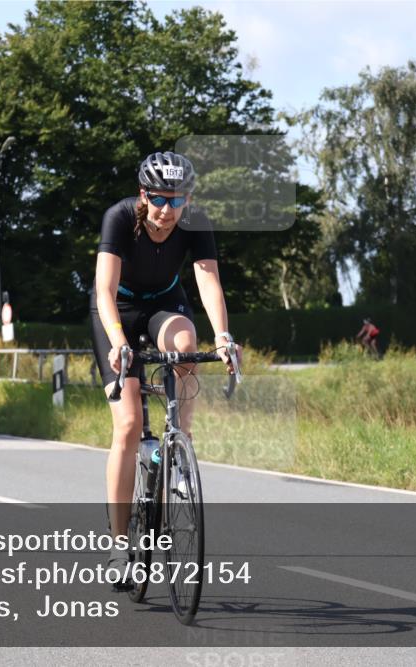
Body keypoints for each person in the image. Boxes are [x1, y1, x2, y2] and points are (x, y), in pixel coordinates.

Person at [89, 151, 240, 589]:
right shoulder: (119, 217)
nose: (167, 210)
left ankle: (179, 445)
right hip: (117, 309)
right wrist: (119, 343)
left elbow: (208, 279)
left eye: (177, 201)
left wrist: (225, 337)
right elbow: (103, 290)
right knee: (130, 424)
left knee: (187, 346)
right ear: (143, 194)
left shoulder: (194, 220)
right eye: (159, 199)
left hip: (165, 303)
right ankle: (120, 546)